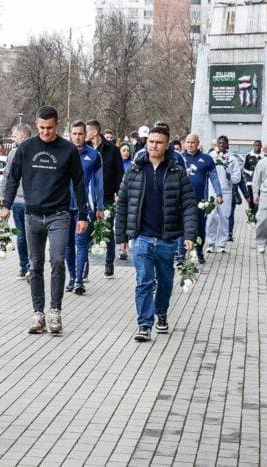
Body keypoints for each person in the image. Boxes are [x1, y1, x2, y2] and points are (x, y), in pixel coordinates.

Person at [1, 106, 88, 335]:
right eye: (41, 128)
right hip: (32, 214)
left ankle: (55, 311)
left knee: (58, 260)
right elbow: (12, 177)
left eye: (50, 128)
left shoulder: (68, 150)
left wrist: (83, 215)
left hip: (59, 214)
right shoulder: (26, 148)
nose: (45, 132)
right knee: (35, 264)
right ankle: (38, 313)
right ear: (36, 124)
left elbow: (79, 183)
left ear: (57, 125)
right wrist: (6, 204)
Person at [115, 126, 197, 342]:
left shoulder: (176, 171)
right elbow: (123, 203)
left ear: (166, 145)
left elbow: (188, 205)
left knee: (165, 282)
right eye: (151, 141)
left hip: (167, 238)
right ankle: (144, 324)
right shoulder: (134, 170)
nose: (153, 145)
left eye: (158, 142)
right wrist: (120, 236)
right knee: (144, 281)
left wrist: (189, 234)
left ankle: (161, 313)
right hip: (141, 236)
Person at [65, 120, 103, 294]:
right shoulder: (63, 153)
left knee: (81, 244)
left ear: (85, 134)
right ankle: (72, 277)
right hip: (64, 206)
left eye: (81, 133)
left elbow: (98, 183)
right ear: (70, 135)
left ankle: (80, 280)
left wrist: (100, 206)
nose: (77, 137)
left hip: (84, 208)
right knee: (68, 245)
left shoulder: (94, 155)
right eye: (74, 134)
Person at [85, 119, 121, 277]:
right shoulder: (84, 150)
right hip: (87, 197)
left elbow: (119, 173)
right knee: (86, 230)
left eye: (85, 131)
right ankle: (83, 268)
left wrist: (119, 193)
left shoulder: (112, 149)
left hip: (106, 196)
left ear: (93, 132)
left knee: (107, 230)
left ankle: (109, 262)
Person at [179, 134, 223, 264]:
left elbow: (214, 177)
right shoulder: (179, 158)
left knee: (200, 228)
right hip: (182, 200)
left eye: (193, 142)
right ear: (184, 144)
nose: (190, 145)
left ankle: (199, 251)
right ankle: (181, 254)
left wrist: (219, 194)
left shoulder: (207, 159)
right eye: (188, 142)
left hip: (200, 201)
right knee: (182, 226)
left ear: (198, 144)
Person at [0, 124, 32, 280]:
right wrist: (2, 194)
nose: (13, 138)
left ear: (22, 136)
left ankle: (30, 266)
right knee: (21, 235)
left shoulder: (35, 151)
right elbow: (7, 176)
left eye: (14, 135)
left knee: (30, 235)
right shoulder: (12, 153)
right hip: (17, 201)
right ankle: (25, 266)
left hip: (32, 202)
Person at [205, 135, 242, 253]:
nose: (221, 145)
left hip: (226, 192)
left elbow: (238, 178)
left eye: (223, 143)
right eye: (219, 143)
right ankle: (210, 243)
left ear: (227, 145)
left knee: (224, 218)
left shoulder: (232, 159)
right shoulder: (211, 156)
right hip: (213, 191)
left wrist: (230, 176)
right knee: (211, 217)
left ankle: (221, 244)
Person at [241, 139, 263, 216]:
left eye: (259, 145)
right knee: (251, 200)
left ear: (261, 146)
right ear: (253, 146)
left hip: (261, 184)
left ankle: (257, 217)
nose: (257, 147)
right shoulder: (248, 155)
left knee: (259, 200)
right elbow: (243, 168)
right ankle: (251, 217)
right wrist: (249, 172)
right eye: (255, 145)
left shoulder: (264, 156)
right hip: (250, 182)